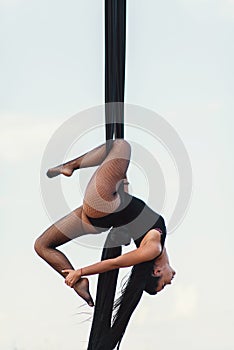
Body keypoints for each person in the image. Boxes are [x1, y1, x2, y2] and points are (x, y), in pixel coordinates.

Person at [34, 139, 175, 310]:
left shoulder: (154, 249)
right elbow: (131, 216)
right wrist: (122, 180)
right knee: (42, 245)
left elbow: (115, 263)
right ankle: (79, 285)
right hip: (100, 216)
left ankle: (70, 166)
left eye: (164, 284)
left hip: (104, 205)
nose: (171, 281)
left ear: (156, 272)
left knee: (121, 147)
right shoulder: (159, 244)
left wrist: (80, 271)